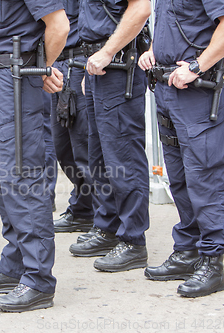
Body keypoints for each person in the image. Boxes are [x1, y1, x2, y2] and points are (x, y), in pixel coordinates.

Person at [0, 1, 69, 312]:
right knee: (1, 179)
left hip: (14, 78)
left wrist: (40, 68)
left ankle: (38, 280)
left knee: (22, 178)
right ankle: (13, 266)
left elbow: (59, 25)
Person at [139, 0, 224, 297]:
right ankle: (188, 251)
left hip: (196, 94)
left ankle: (212, 263)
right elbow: (181, 29)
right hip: (167, 89)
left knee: (205, 178)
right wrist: (153, 52)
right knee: (181, 179)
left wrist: (198, 66)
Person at [69, 0, 151, 272]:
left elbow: (140, 9)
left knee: (123, 158)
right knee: (100, 159)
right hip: (97, 67)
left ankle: (133, 241)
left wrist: (106, 52)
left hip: (117, 65)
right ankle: (107, 228)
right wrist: (89, 66)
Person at [50, 0, 94, 235]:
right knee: (62, 148)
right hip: (56, 64)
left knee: (84, 146)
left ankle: (101, 215)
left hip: (80, 61)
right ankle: (83, 209)